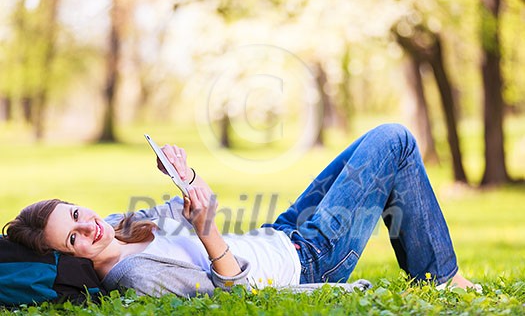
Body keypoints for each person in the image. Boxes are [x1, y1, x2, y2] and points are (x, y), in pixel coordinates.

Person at [3, 124, 477, 297]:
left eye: (76, 213)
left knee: (370, 148)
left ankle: (433, 271)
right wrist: (208, 234)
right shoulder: (136, 275)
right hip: (308, 258)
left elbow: (190, 203)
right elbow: (231, 293)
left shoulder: (113, 227)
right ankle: (441, 278)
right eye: (73, 238)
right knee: (393, 142)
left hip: (281, 232)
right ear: (72, 257)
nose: (88, 226)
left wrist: (182, 175)